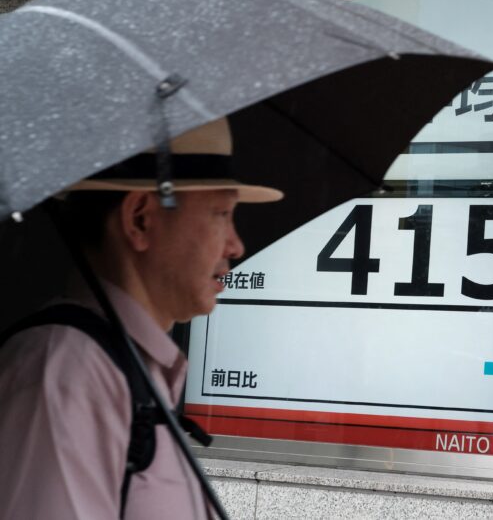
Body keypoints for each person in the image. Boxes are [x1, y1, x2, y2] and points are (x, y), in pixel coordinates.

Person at [0, 118, 282, 519]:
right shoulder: (66, 371)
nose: (236, 245)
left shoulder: (124, 369)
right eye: (221, 214)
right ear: (140, 219)